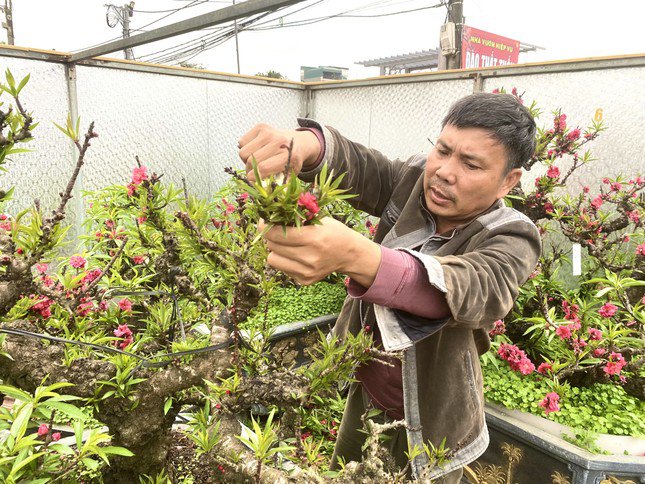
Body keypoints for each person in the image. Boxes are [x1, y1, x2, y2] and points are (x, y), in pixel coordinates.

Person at [238, 92, 541, 482]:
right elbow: (365, 167)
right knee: (344, 472)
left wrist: (357, 256)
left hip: (435, 416)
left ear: (508, 181)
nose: (445, 172)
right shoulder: (415, 180)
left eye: (471, 164)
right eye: (443, 150)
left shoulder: (513, 235)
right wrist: (306, 145)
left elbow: (472, 289)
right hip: (368, 390)